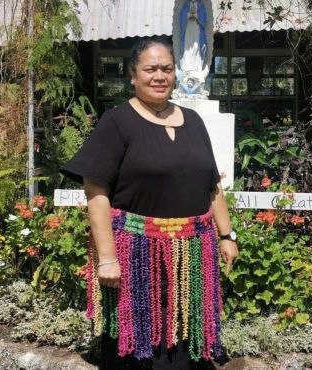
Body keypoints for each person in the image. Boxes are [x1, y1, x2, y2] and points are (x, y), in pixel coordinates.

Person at [61, 37, 239, 369]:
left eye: (167, 69)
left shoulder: (193, 121)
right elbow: (96, 194)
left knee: (183, 336)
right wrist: (106, 258)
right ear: (132, 75)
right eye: (150, 69)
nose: (160, 76)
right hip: (135, 255)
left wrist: (227, 236)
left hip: (191, 254)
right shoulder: (116, 122)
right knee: (137, 340)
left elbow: (212, 186)